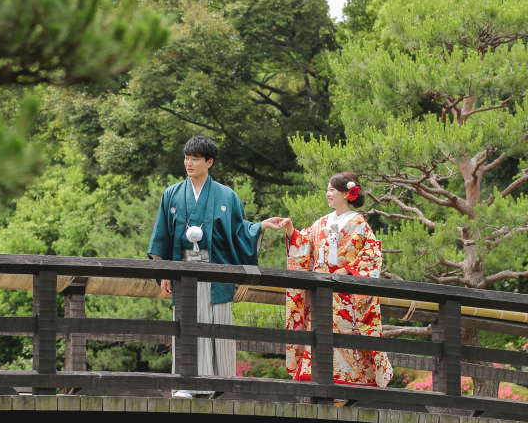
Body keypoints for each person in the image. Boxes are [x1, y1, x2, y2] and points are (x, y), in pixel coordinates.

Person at [147, 135, 280, 395]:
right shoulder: (172, 194)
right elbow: (161, 236)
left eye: (195, 159)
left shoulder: (226, 195)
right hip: (182, 268)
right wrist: (163, 272)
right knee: (184, 325)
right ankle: (184, 385)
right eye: (186, 158)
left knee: (216, 326)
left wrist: (260, 226)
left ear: (209, 162)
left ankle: (217, 385)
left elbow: (240, 231)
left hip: (215, 269)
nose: (189, 163)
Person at [265, 171, 392, 388]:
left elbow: (373, 256)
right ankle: (318, 380)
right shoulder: (321, 223)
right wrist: (290, 231)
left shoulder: (359, 224)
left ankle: (353, 383)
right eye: (327, 189)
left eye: (331, 190)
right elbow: (303, 243)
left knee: (346, 337)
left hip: (348, 297)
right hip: (322, 295)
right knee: (319, 334)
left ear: (346, 193)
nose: (327, 194)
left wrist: (349, 270)